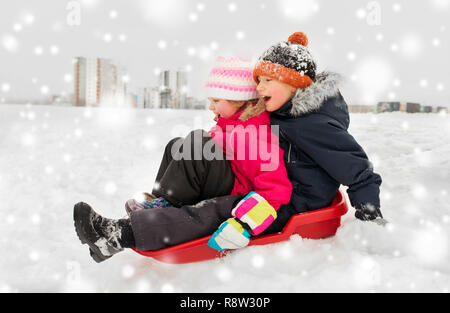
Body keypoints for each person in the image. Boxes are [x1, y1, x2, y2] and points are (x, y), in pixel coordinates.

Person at [73, 57, 292, 262]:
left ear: (241, 102)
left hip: (236, 193)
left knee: (198, 142)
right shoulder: (231, 123)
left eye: (216, 100)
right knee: (177, 145)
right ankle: (160, 199)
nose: (211, 107)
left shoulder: (257, 135)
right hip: (225, 180)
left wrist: (246, 220)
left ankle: (168, 204)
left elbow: (276, 189)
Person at [248, 31, 384, 237]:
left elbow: (357, 170)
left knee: (228, 214)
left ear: (295, 85)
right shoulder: (282, 115)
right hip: (275, 193)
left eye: (268, 80)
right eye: (258, 80)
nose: (259, 87)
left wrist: (370, 213)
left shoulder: (311, 124)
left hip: (295, 204)